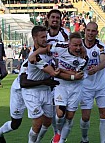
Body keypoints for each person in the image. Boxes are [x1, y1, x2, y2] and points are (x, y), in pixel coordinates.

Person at [29, 32, 88, 143]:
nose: (78, 48)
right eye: (75, 45)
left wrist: (61, 71)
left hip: (75, 87)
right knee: (60, 114)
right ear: (69, 44)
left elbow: (77, 76)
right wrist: (34, 54)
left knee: (70, 116)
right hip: (61, 85)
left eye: (80, 45)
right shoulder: (61, 46)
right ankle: (59, 133)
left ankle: (60, 141)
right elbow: (47, 48)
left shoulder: (84, 59)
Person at [0, 59, 59, 143]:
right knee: (15, 124)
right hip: (19, 91)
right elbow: (23, 83)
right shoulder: (29, 62)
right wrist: (44, 82)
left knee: (44, 120)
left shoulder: (52, 62)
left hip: (38, 91)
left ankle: (48, 139)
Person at [22, 25, 60, 143]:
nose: (45, 39)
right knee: (38, 122)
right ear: (34, 38)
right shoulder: (34, 56)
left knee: (48, 121)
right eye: (42, 37)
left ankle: (37, 141)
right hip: (32, 92)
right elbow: (52, 72)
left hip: (45, 91)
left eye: (46, 37)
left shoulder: (49, 51)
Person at [80, 22, 105, 143]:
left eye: (93, 31)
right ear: (85, 31)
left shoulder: (101, 46)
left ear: (97, 33)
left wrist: (96, 68)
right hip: (85, 86)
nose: (90, 33)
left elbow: (103, 61)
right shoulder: (79, 45)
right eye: (88, 30)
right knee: (85, 117)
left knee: (103, 113)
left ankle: (104, 141)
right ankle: (84, 138)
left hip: (101, 85)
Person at [45, 9, 70, 142]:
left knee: (60, 111)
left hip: (61, 75)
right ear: (48, 19)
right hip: (46, 75)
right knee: (51, 110)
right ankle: (57, 135)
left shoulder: (66, 34)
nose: (55, 20)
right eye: (52, 17)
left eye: (57, 18)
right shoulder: (43, 34)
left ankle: (58, 134)